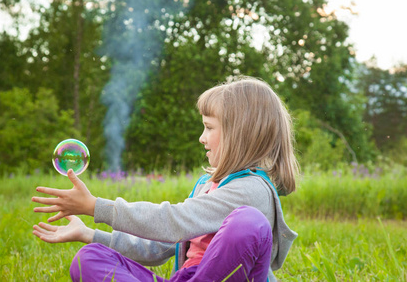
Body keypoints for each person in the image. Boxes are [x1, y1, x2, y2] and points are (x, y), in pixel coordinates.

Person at [32, 76, 299, 282]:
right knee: (89, 258)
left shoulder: (252, 190)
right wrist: (89, 234)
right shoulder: (208, 187)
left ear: (240, 134)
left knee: (248, 222)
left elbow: (172, 221)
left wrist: (95, 206)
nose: (201, 137)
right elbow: (158, 246)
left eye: (209, 127)